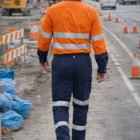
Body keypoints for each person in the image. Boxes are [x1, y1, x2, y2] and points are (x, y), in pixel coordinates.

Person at [37, 0, 108, 139]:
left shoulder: (53, 10)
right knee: (81, 105)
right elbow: (98, 42)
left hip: (62, 63)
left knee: (60, 105)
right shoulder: (90, 11)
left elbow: (44, 37)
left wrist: (42, 56)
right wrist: (102, 67)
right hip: (83, 63)